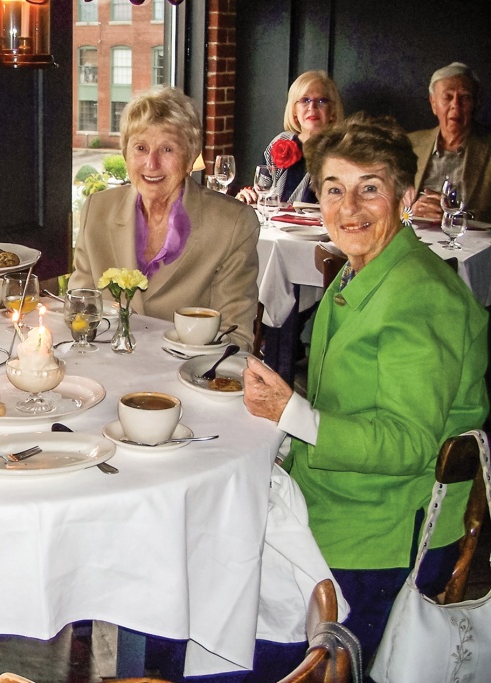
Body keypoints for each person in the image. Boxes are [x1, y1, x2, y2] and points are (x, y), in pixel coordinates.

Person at [242, 113, 488, 666]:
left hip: (383, 531)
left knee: (235, 622)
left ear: (402, 196)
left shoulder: (420, 296)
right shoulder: (362, 272)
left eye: (368, 189)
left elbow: (408, 443)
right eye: (334, 189)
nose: (348, 208)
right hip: (337, 496)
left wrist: (290, 413)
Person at [69, 87, 260, 351]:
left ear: (191, 156)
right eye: (140, 148)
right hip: (108, 370)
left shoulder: (232, 224)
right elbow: (81, 311)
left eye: (167, 149)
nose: (151, 163)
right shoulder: (97, 211)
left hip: (186, 377)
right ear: (125, 153)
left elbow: (235, 336)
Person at [236, 70, 344, 205]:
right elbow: (262, 192)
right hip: (277, 223)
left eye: (321, 101)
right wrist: (247, 197)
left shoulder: (342, 149)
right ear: (294, 111)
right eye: (305, 100)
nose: (312, 107)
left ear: (332, 111)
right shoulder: (281, 141)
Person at [409, 62, 491, 223]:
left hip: (469, 242)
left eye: (465, 97)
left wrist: (456, 214)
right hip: (412, 237)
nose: (455, 105)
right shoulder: (410, 143)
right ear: (433, 104)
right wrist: (409, 213)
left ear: (476, 104)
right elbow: (388, 204)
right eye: (447, 97)